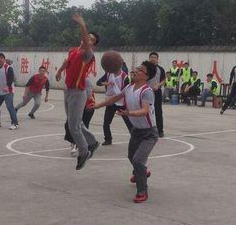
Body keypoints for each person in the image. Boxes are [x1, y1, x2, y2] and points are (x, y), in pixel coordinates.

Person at [92, 61, 159, 203]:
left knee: (138, 160)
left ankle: (142, 191)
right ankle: (142, 172)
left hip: (149, 134)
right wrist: (98, 105)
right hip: (136, 131)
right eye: (137, 68)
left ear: (146, 76)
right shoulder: (129, 87)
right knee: (131, 156)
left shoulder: (147, 91)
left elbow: (144, 111)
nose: (136, 70)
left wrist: (129, 113)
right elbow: (114, 98)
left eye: (140, 70)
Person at [55, 13, 100, 170]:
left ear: (93, 45)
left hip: (78, 92)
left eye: (91, 39)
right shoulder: (74, 51)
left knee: (73, 126)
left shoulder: (88, 54)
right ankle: (92, 142)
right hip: (68, 91)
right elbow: (67, 62)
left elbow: (85, 43)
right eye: (88, 37)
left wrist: (82, 25)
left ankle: (84, 151)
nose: (88, 39)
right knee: (75, 122)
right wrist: (60, 71)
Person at [96, 69, 133, 146]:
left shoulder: (124, 77)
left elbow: (127, 90)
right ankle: (108, 139)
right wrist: (106, 83)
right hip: (110, 101)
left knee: (128, 122)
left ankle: (135, 137)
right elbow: (98, 82)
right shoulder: (108, 73)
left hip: (121, 102)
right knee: (106, 122)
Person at [0, 53, 19, 130]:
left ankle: (15, 124)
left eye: (1, 58)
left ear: (4, 59)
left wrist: (7, 86)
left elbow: (11, 78)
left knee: (10, 107)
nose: (0, 60)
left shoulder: (8, 68)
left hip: (8, 92)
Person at [148, 52, 167, 137]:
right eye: (151, 57)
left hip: (157, 92)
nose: (153, 58)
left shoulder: (160, 69)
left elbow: (163, 80)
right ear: (149, 58)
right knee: (146, 111)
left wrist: (158, 85)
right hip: (147, 92)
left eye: (154, 57)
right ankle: (147, 131)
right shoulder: (145, 68)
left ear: (157, 59)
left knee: (158, 111)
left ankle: (160, 131)